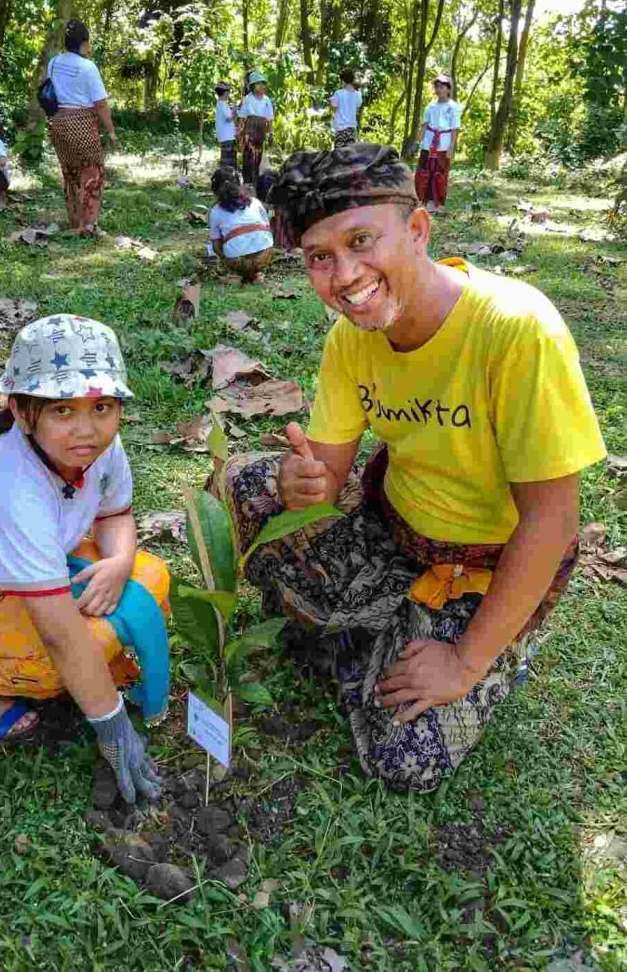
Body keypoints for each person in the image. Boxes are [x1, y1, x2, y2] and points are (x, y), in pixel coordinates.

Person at [213, 142, 606, 792]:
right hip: (392, 532)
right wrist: (299, 481)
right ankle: (375, 632)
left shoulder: (516, 329)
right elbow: (325, 479)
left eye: (361, 240)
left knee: (405, 754)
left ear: (418, 229)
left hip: (483, 567)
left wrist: (464, 661)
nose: (345, 275)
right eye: (319, 257)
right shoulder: (350, 340)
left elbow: (553, 520)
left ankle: (491, 643)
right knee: (244, 486)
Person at [0, 314, 171, 804]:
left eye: (102, 407)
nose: (86, 430)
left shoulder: (100, 449)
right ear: (22, 413)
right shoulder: (10, 485)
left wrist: (117, 564)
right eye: (62, 410)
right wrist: (114, 728)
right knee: (55, 663)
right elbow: (59, 633)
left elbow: (115, 515)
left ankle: (96, 669)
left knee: (148, 575)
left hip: (41, 560)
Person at [47, 20, 118, 237]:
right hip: (81, 123)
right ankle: (88, 225)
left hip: (57, 122)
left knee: (70, 173)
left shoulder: (54, 63)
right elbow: (101, 104)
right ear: (84, 43)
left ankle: (75, 221)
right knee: (92, 172)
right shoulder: (88, 67)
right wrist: (111, 130)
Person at [208, 166, 273, 282]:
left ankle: (237, 274)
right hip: (263, 256)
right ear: (240, 185)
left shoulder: (216, 211)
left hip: (237, 260)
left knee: (218, 243)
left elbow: (216, 246)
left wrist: (226, 258)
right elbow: (267, 228)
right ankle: (256, 273)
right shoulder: (255, 202)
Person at [415, 73, 460, 213]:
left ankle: (437, 203)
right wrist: (418, 142)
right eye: (437, 87)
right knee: (424, 172)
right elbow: (424, 126)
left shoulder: (453, 107)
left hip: (443, 144)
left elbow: (455, 128)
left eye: (442, 87)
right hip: (428, 143)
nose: (439, 90)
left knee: (440, 173)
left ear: (448, 89)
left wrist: (451, 147)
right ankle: (421, 200)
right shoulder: (430, 106)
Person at [237, 70, 274, 190]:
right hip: (249, 131)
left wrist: (271, 133)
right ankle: (247, 183)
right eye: (258, 84)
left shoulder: (266, 100)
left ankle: (255, 183)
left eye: (263, 83)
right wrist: (238, 133)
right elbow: (242, 117)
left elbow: (269, 118)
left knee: (258, 157)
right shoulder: (248, 99)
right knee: (248, 157)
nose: (262, 86)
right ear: (253, 86)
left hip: (261, 131)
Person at [330, 68, 363, 148]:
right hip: (351, 129)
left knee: (339, 153)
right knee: (350, 153)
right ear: (352, 80)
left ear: (343, 81)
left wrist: (331, 100)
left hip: (340, 129)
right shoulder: (358, 95)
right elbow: (358, 105)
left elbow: (334, 106)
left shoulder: (338, 93)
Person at [214, 82, 237, 169]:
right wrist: (235, 110)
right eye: (228, 92)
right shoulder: (222, 104)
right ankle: (226, 176)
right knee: (227, 162)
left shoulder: (222, 104)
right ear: (225, 92)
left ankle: (228, 175)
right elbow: (229, 119)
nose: (229, 94)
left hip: (227, 136)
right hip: (226, 137)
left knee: (229, 160)